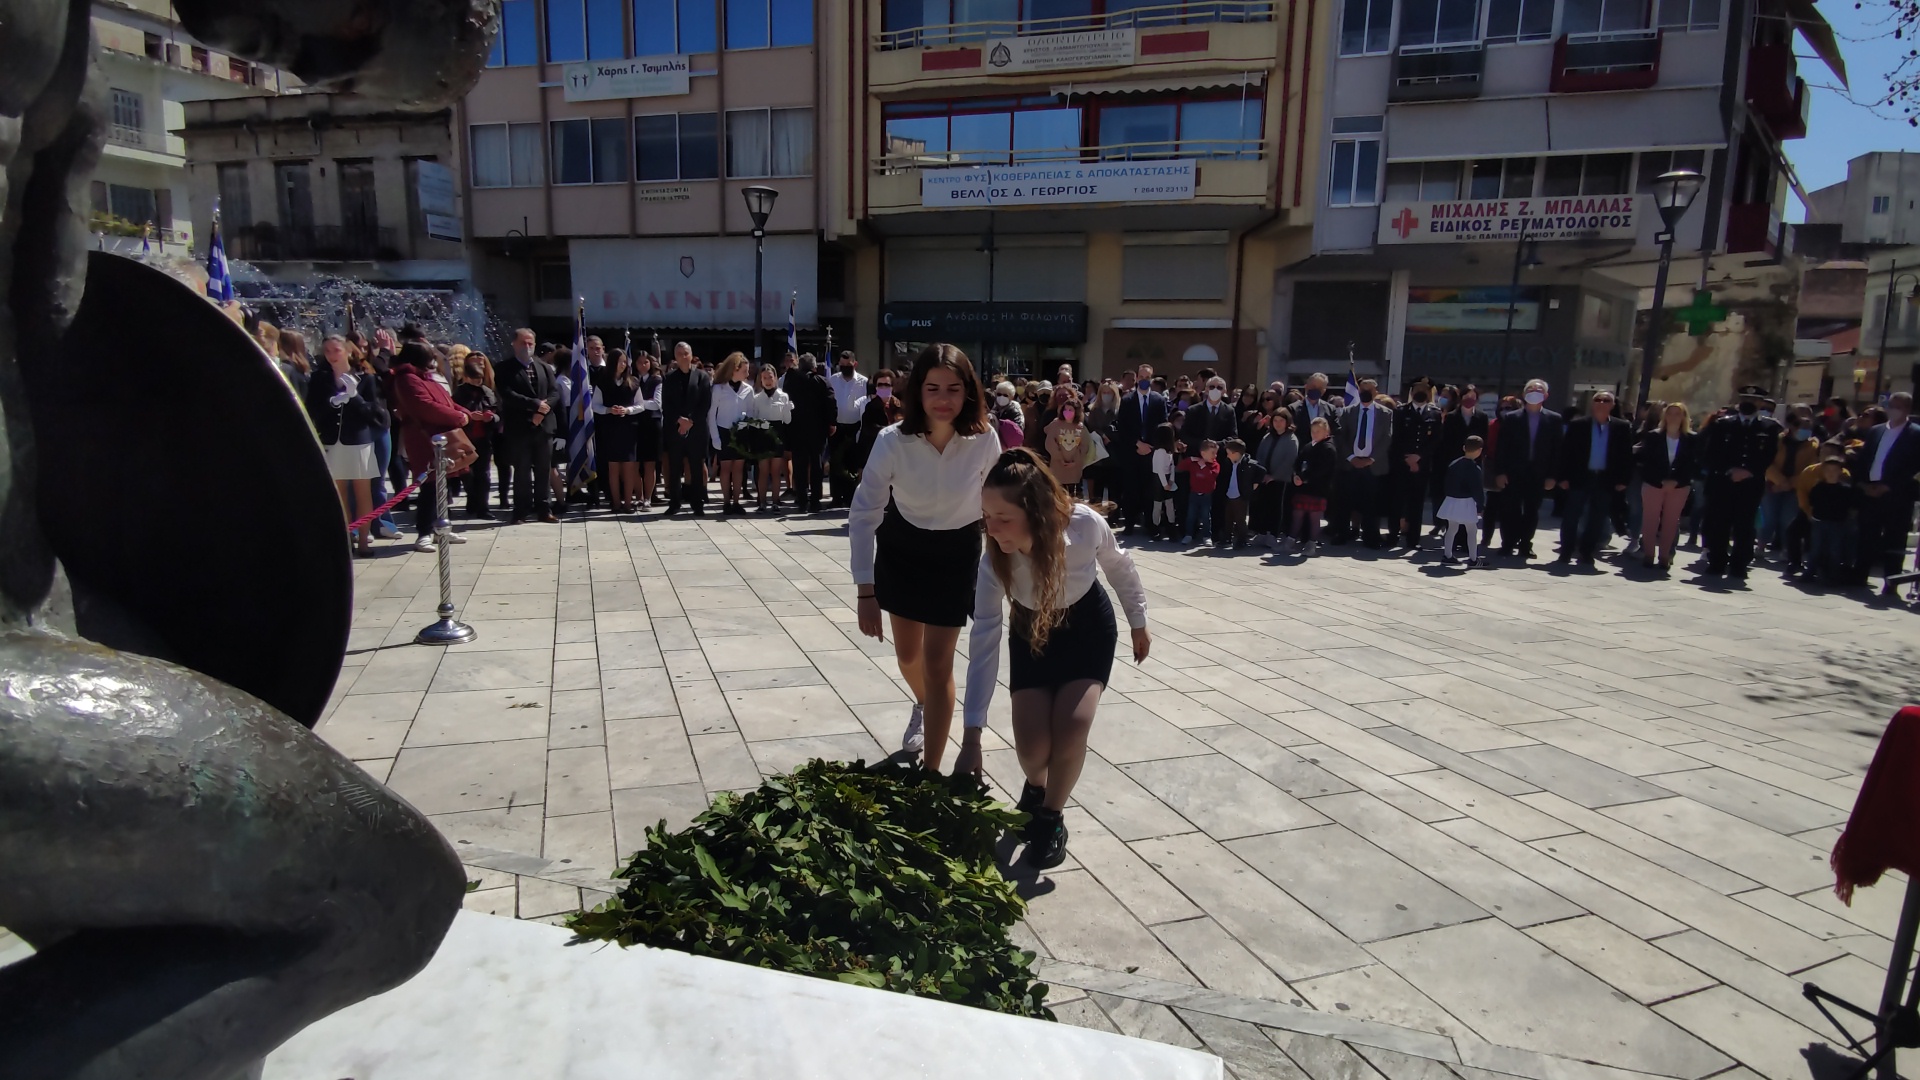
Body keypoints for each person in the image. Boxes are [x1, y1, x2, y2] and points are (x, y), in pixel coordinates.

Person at [961, 448, 1149, 868]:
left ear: (1037, 511)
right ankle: (1035, 787)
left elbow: (1119, 566)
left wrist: (1138, 620)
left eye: (1003, 518)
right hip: (1031, 634)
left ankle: (1051, 818)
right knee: (1033, 749)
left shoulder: (1083, 526)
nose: (991, 529)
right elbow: (984, 641)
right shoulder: (994, 562)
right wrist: (972, 735)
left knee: (1071, 727)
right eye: (986, 516)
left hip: (1087, 630)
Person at [850, 344, 1001, 769]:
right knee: (907, 657)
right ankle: (923, 702)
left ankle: (931, 772)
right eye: (933, 388)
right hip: (903, 548)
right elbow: (864, 513)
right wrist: (865, 590)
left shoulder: (983, 439)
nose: (943, 399)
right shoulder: (892, 440)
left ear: (968, 391)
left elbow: (998, 501)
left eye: (954, 388)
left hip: (957, 553)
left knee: (938, 664)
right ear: (917, 390)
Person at [388, 340, 475, 552]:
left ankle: (441, 527)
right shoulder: (407, 379)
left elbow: (445, 401)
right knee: (429, 485)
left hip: (438, 436)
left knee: (442, 484)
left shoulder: (424, 378)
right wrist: (458, 417)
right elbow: (424, 406)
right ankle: (424, 532)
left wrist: (466, 413)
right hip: (424, 438)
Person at [306, 333, 388, 557]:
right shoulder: (319, 378)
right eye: (328, 351)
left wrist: (355, 397)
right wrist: (331, 403)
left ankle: (364, 540)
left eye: (337, 350)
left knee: (363, 493)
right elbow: (312, 410)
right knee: (339, 493)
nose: (332, 355)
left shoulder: (365, 378)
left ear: (348, 351)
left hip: (358, 442)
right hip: (332, 441)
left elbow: (376, 414)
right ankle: (346, 538)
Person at [1701, 385, 1782, 579]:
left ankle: (1739, 564)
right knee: (1720, 522)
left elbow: (1769, 455)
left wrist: (1749, 471)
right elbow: (1712, 453)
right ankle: (1717, 561)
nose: (1749, 403)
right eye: (1745, 399)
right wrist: (1730, 470)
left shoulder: (1770, 427)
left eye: (1753, 400)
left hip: (1751, 483)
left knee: (1745, 525)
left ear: (1761, 403)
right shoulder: (1723, 424)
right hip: (1724, 481)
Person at [1847, 391, 1920, 587]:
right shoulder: (1876, 431)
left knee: (1894, 538)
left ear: (1907, 409)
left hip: (1897, 495)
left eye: (1898, 407)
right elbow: (1865, 460)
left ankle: (1891, 581)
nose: (1893, 410)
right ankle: (1859, 574)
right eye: (1891, 406)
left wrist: (1888, 486)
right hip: (1870, 491)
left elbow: (1914, 467)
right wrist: (1862, 484)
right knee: (1866, 535)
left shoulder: (1915, 434)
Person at [1555, 391, 1632, 567]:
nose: (1602, 403)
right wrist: (1563, 477)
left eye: (1606, 400)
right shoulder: (1578, 425)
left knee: (1597, 518)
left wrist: (1623, 479)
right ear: (1592, 403)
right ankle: (1566, 551)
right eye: (1598, 400)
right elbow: (1565, 452)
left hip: (1605, 478)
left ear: (1613, 405)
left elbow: (1626, 456)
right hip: (1580, 477)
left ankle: (1586, 552)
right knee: (1571, 516)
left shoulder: (1621, 427)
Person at [495, 328, 562, 524]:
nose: (527, 346)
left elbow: (554, 393)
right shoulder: (504, 368)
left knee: (543, 470)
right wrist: (534, 405)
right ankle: (521, 511)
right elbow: (507, 394)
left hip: (543, 427)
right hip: (519, 428)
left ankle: (544, 509)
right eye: (523, 343)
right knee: (522, 470)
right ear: (514, 344)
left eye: (530, 343)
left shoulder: (544, 367)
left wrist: (542, 411)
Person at [1493, 379, 1563, 559]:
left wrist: (1552, 476)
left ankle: (1525, 545)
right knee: (1510, 510)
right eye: (1531, 389)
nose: (1534, 392)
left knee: (1532, 511)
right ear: (1524, 394)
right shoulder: (1511, 418)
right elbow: (1502, 447)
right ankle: (1508, 543)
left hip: (1538, 473)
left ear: (1546, 395)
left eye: (1539, 390)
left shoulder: (1554, 419)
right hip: (1513, 472)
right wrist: (1500, 472)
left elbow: (1557, 450)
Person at [1634, 402, 1698, 571]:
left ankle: (1664, 556)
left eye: (1678, 413)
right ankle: (1648, 554)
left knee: (1671, 521)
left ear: (1684, 417)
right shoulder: (1654, 436)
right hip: (1654, 483)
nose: (1673, 417)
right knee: (1650, 519)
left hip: (1679, 485)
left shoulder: (1692, 438)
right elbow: (1646, 461)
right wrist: (1660, 480)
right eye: (1670, 413)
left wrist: (1676, 480)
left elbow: (1692, 464)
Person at [1334, 379, 1393, 547]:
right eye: (1363, 389)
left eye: (1369, 389)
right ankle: (1342, 533)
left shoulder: (1385, 413)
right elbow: (1340, 437)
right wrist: (1351, 457)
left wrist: (1371, 459)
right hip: (1350, 465)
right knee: (1345, 501)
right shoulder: (1347, 411)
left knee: (1371, 503)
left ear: (1376, 392)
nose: (1365, 392)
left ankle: (1370, 536)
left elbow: (1386, 438)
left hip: (1373, 465)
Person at [1113, 365, 1168, 534]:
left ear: (1151, 379)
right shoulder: (1127, 400)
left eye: (1147, 377)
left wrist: (1151, 446)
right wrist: (1137, 443)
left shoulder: (1159, 400)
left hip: (1152, 452)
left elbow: (1163, 425)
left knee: (1150, 490)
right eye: (1141, 377)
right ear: (1136, 378)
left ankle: (1150, 525)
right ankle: (1129, 524)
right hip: (1132, 451)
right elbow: (1122, 427)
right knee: (1131, 488)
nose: (1144, 380)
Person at [1763, 411, 1820, 571]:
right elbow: (1767, 462)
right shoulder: (1777, 441)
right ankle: (1760, 545)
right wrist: (1780, 481)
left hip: (1796, 487)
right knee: (1768, 517)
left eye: (1809, 427)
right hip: (1773, 484)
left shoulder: (1813, 446)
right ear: (1792, 427)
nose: (1806, 431)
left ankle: (1786, 550)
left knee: (1787, 519)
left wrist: (1790, 484)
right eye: (1802, 427)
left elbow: (1810, 469)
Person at [662, 341, 713, 516]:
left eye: (686, 353)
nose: (683, 357)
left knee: (696, 468)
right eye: (679, 354)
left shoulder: (702, 376)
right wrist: (680, 420)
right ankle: (674, 502)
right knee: (675, 467)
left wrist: (690, 421)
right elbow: (666, 404)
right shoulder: (669, 378)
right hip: (675, 429)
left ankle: (697, 503)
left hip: (696, 429)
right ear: (675, 357)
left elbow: (705, 403)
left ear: (691, 355)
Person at [1390, 379, 1440, 548]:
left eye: (1424, 390)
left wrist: (1418, 457)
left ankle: (1413, 539)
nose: (1420, 392)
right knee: (1397, 501)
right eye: (1417, 389)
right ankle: (1393, 535)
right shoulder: (1401, 411)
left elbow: (1436, 440)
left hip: (1422, 465)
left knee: (1417, 503)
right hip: (1402, 464)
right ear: (1412, 392)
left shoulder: (1435, 413)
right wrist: (1408, 458)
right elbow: (1396, 438)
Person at [783, 353, 835, 513]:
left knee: (799, 464)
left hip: (797, 428)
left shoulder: (791, 381)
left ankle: (802, 499)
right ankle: (815, 500)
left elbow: (785, 402)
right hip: (817, 429)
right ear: (814, 367)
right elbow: (831, 402)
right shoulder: (822, 381)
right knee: (816, 464)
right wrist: (832, 423)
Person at [452, 355, 501, 520]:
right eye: (474, 379)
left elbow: (497, 413)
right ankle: (472, 499)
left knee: (483, 474)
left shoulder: (487, 392)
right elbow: (454, 412)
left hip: (484, 438)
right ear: (466, 377)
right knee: (467, 474)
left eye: (479, 379)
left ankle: (483, 507)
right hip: (466, 438)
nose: (477, 382)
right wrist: (470, 416)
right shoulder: (459, 393)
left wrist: (491, 418)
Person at [706, 353, 752, 515]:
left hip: (741, 432)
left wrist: (745, 423)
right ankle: (726, 502)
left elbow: (751, 412)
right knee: (725, 468)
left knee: (739, 468)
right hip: (723, 431)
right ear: (734, 369)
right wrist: (715, 437)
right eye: (744, 370)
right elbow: (711, 414)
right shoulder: (719, 388)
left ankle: (737, 502)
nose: (747, 374)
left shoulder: (748, 389)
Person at [746, 363, 793, 513]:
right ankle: (762, 502)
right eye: (764, 378)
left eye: (770, 377)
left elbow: (787, 421)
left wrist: (787, 409)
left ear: (775, 378)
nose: (767, 380)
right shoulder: (757, 398)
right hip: (762, 436)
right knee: (763, 471)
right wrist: (760, 425)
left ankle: (775, 501)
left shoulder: (783, 396)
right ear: (760, 379)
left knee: (776, 471)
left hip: (777, 435)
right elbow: (752, 419)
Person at [1804, 449, 1855, 584]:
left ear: (1840, 472)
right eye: (1828, 470)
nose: (1831, 473)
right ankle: (1810, 572)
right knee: (1815, 548)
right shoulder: (1818, 488)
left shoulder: (1845, 490)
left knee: (1835, 550)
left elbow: (1850, 506)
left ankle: (1833, 575)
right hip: (1819, 522)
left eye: (1834, 470)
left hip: (1837, 523)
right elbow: (1812, 502)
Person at [1437, 435, 1487, 567]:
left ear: (1464, 448)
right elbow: (1477, 489)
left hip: (1452, 500)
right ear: (1479, 450)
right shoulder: (1474, 469)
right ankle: (1473, 559)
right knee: (1472, 530)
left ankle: (1447, 555)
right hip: (1466, 502)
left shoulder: (1454, 464)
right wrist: (1481, 505)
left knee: (1452, 528)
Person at [1291, 416, 1338, 555]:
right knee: (1297, 513)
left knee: (1315, 517)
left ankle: (1312, 544)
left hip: (1318, 489)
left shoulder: (1328, 448)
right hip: (1303, 488)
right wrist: (1296, 475)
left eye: (1318, 431)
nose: (1315, 434)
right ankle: (1290, 540)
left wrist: (1304, 478)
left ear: (1326, 432)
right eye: (1313, 431)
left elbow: (1321, 470)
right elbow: (1298, 462)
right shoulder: (1308, 446)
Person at [1251, 409, 1298, 547]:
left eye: (1281, 420)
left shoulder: (1291, 439)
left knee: (1276, 507)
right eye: (1275, 420)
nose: (1278, 423)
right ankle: (1262, 533)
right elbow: (1260, 454)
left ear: (1287, 422)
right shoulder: (1268, 436)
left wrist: (1274, 476)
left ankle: (1273, 534)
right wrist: (1262, 473)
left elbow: (1289, 460)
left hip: (1280, 479)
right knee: (1263, 505)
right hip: (1265, 477)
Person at [827, 351, 868, 507]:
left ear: (854, 364)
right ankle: (836, 497)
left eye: (848, 365)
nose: (844, 367)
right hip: (836, 426)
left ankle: (851, 496)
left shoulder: (863, 382)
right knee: (836, 461)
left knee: (852, 461)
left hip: (855, 426)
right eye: (842, 365)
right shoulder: (833, 379)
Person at [629, 352, 664, 508]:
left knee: (650, 464)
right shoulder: (631, 380)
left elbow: (656, 404)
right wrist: (641, 404)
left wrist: (637, 404)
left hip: (651, 425)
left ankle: (648, 498)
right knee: (634, 464)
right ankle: (639, 496)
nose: (643, 365)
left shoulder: (657, 380)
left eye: (646, 362)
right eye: (640, 362)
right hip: (635, 425)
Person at [851, 367, 902, 473]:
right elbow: (868, 430)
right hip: (876, 455)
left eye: (886, 385)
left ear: (892, 387)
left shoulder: (899, 406)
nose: (883, 387)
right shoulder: (871, 407)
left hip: (897, 455)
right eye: (880, 385)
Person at [1218, 438, 1266, 549]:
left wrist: (1255, 483)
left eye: (1229, 453)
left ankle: (1241, 540)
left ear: (1236, 453)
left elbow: (1262, 470)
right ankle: (1227, 538)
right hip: (1229, 494)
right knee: (1228, 518)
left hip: (1241, 495)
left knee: (1240, 519)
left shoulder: (1249, 464)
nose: (1227, 456)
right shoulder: (1229, 462)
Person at [1043, 395, 1090, 497]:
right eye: (1065, 409)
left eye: (1070, 410)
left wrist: (1075, 461)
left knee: (1073, 494)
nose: (1067, 412)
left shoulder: (1081, 428)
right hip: (1058, 466)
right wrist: (1059, 458)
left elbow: (1084, 446)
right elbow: (1050, 443)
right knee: (1058, 493)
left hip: (1074, 468)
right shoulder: (1056, 424)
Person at [1177, 441, 1219, 546]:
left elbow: (1211, 477)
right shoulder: (1194, 463)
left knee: (1206, 516)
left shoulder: (1215, 465)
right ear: (1203, 453)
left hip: (1207, 495)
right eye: (1212, 453)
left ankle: (1207, 536)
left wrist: (1203, 466)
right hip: (1194, 494)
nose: (1215, 455)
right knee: (1191, 516)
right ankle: (1188, 535)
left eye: (1216, 453)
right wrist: (1190, 459)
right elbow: (1180, 467)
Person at [1148, 422, 1179, 541]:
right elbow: (1160, 470)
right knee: (1158, 504)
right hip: (1159, 480)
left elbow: (1172, 466)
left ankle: (1171, 526)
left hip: (1167, 479)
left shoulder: (1169, 451)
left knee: (1169, 503)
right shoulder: (1159, 451)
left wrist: (1171, 480)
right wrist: (1165, 484)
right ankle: (1155, 528)